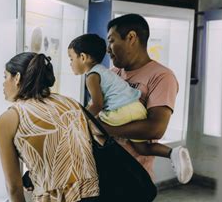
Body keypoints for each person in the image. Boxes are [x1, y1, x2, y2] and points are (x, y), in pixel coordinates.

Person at [86, 13, 186, 202]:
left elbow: (156, 127)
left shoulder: (162, 77)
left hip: (132, 176)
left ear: (132, 38)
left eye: (112, 41)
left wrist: (108, 128)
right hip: (100, 172)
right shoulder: (112, 73)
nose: (108, 49)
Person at [0, 52, 109, 202]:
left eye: (5, 76)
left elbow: (14, 186)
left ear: (17, 78)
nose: (3, 82)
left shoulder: (10, 118)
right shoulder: (71, 103)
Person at [67, 33, 193, 184]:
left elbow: (97, 104)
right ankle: (173, 152)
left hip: (121, 113)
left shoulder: (92, 76)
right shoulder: (109, 71)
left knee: (95, 126)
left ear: (83, 57)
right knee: (143, 147)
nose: (70, 63)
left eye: (71, 59)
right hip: (135, 108)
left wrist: (81, 119)